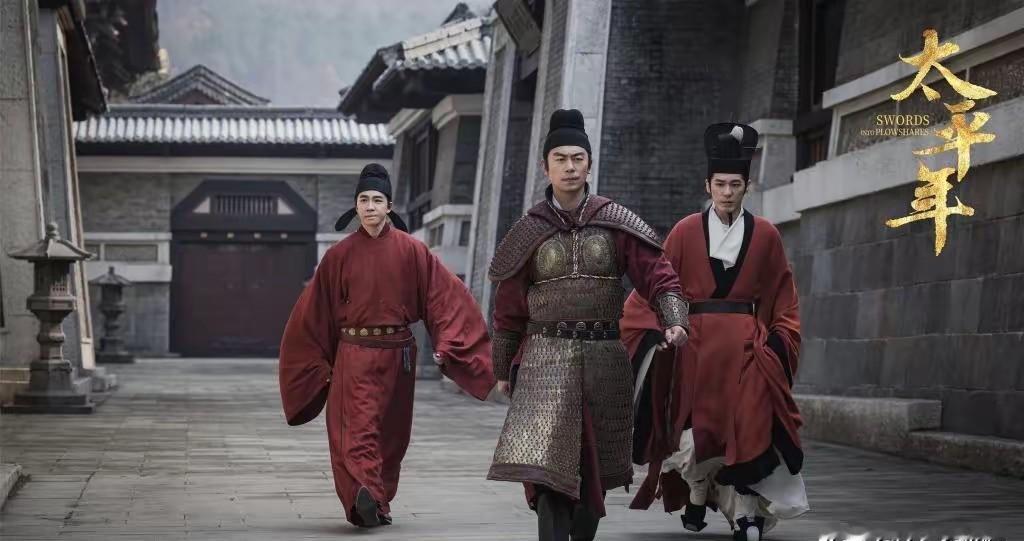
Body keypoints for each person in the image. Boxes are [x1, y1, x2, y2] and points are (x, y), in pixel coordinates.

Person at [486, 109, 690, 541]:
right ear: (545, 167)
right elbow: (508, 308)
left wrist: (674, 319)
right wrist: (503, 368)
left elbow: (659, 276)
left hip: (603, 360)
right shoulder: (528, 230)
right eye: (560, 159)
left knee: (591, 470)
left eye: (578, 158)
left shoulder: (616, 221)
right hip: (544, 360)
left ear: (590, 164)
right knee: (546, 468)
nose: (570, 167)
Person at [278, 163, 497, 528]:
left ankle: (378, 500)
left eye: (377, 200)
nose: (370, 206)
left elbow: (446, 298)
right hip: (354, 354)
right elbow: (313, 313)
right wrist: (318, 365)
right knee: (356, 430)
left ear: (389, 206)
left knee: (391, 436)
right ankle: (362, 495)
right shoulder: (338, 256)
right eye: (363, 199)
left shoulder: (413, 251)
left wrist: (449, 343)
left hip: (399, 356)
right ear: (355, 206)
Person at [621, 123, 808, 541]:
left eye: (735, 185)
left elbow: (783, 298)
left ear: (747, 187)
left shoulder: (766, 235)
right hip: (694, 350)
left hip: (747, 352)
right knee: (693, 436)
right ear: (707, 185)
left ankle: (746, 514)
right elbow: (657, 287)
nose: (727, 192)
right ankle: (699, 487)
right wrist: (657, 332)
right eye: (720, 184)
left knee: (749, 429)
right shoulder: (685, 231)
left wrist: (778, 343)